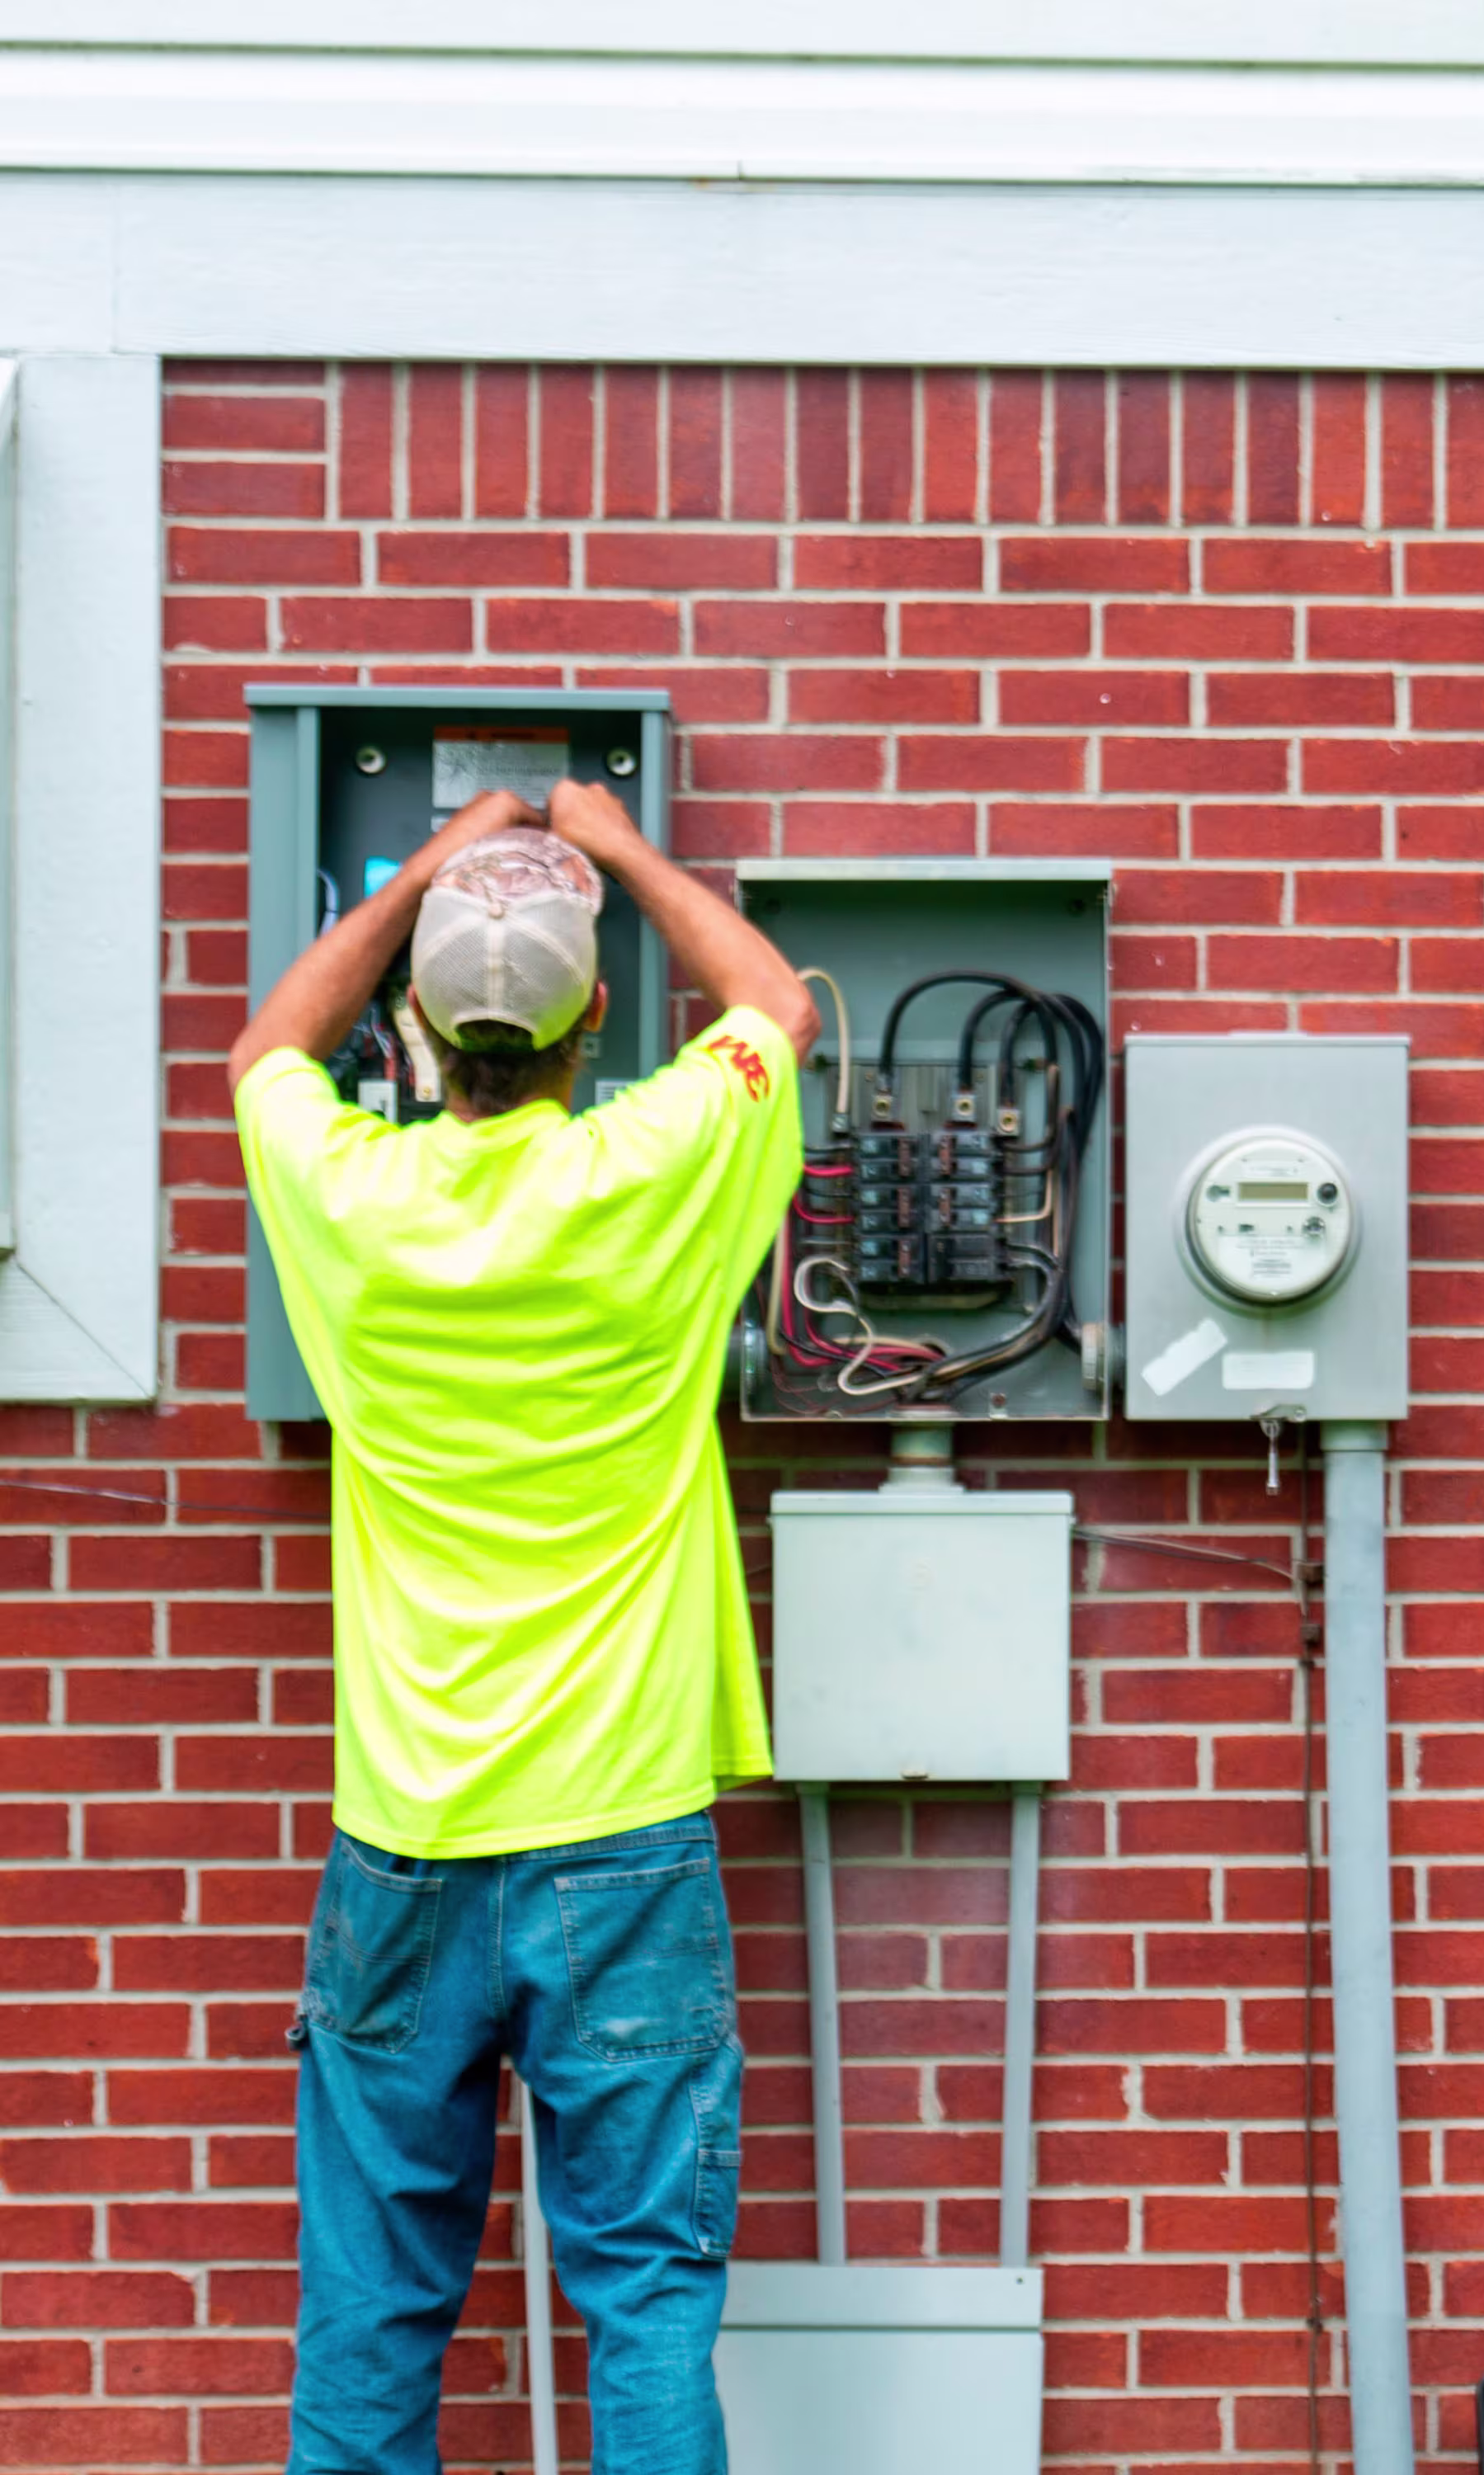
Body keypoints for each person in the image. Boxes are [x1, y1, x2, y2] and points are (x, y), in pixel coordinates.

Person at [228, 777, 819, 2475]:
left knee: (370, 2306)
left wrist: (433, 865)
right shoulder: (660, 1169)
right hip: (622, 1836)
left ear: (419, 1018)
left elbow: (269, 1042)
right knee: (645, 2302)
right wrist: (615, 846)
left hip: (403, 1836)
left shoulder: (352, 1198)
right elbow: (773, 1007)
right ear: (596, 1021)